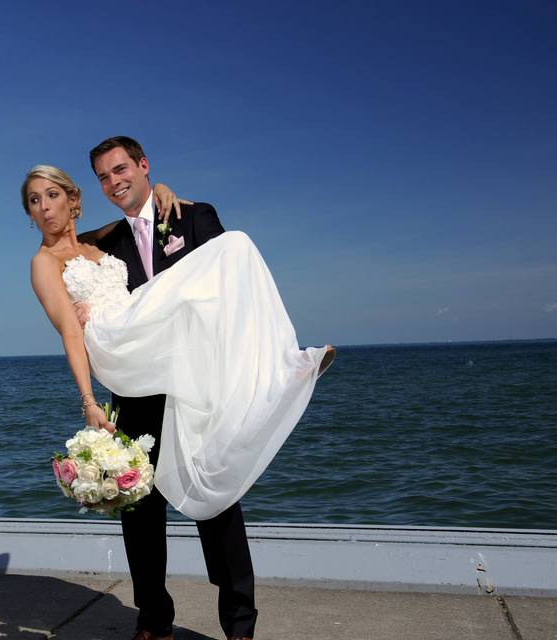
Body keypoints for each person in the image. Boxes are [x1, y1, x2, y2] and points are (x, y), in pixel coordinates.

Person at [23, 138, 334, 640]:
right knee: (140, 510)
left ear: (144, 167)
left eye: (121, 169)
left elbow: (229, 294)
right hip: (136, 387)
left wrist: (160, 194)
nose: (115, 181)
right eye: (104, 176)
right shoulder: (109, 244)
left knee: (219, 500)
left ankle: (239, 625)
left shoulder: (192, 217)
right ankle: (153, 622)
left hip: (195, 385)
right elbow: (72, 301)